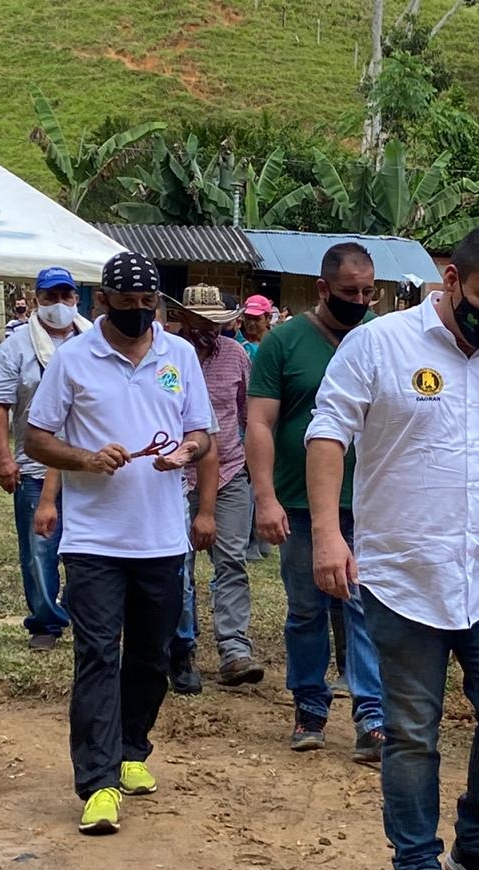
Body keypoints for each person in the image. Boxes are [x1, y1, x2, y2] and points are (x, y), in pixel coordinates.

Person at [306, 225, 479, 870]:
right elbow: (327, 434)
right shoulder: (380, 344)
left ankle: (478, 846)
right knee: (411, 732)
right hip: (404, 572)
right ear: (451, 279)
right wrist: (329, 534)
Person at [24, 251, 214, 836]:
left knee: (151, 656)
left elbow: (202, 433)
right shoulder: (74, 360)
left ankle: (132, 749)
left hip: (160, 538)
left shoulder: (178, 355)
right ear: (101, 301)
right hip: (94, 540)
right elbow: (35, 438)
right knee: (98, 655)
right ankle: (98, 782)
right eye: (127, 305)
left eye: (147, 305)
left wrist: (185, 453)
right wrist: (84, 458)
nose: (139, 315)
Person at [245, 243, 384, 762]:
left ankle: (372, 713)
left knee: (363, 606)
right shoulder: (284, 342)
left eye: (369, 291)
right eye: (350, 292)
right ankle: (309, 705)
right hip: (300, 500)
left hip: (369, 500)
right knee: (306, 608)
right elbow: (259, 423)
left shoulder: (380, 339)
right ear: (323, 288)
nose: (361, 300)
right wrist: (265, 498)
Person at [0, 266, 89, 650]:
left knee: (87, 548)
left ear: (76, 298)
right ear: (36, 299)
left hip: (85, 467)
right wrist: (4, 458)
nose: (59, 304)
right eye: (50, 297)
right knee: (39, 549)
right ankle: (45, 621)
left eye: (66, 296)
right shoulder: (15, 347)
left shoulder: (94, 340)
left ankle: (83, 613)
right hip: (33, 466)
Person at [171, 285, 265, 688]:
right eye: (200, 320)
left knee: (231, 560)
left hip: (228, 470)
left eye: (216, 321)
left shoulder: (236, 356)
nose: (207, 328)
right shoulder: (168, 355)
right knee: (178, 566)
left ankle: (234, 649)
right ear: (186, 318)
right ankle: (181, 649)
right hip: (174, 475)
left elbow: (248, 415)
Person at [237, 294, 273, 362]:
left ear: (269, 318)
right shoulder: (238, 343)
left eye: (257, 319)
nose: (251, 323)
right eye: (247, 318)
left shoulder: (277, 344)